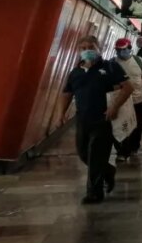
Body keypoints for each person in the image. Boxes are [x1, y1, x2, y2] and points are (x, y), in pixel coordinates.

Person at [57, 35, 133, 204]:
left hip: (103, 119)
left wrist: (114, 107)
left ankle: (94, 193)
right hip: (82, 119)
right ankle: (108, 171)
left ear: (99, 48)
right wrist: (61, 114)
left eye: (91, 47)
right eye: (83, 48)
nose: (87, 51)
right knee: (83, 153)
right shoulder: (75, 72)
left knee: (96, 156)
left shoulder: (110, 67)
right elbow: (67, 93)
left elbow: (128, 87)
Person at [112, 38, 142, 160]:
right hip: (122, 101)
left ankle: (134, 147)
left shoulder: (138, 61)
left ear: (129, 48)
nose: (120, 52)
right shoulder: (112, 63)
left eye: (123, 49)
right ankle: (122, 151)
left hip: (139, 99)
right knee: (122, 125)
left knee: (137, 126)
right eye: (118, 50)